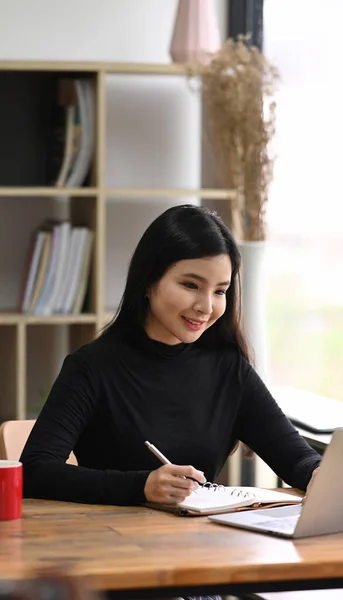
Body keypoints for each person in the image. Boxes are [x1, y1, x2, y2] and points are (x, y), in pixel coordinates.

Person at [21, 204, 321, 507]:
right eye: (191, 285)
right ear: (149, 282)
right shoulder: (91, 368)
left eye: (220, 291)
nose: (206, 306)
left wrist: (319, 473)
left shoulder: (228, 369)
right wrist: (141, 486)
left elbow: (296, 459)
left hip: (198, 545)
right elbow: (34, 471)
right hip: (113, 543)